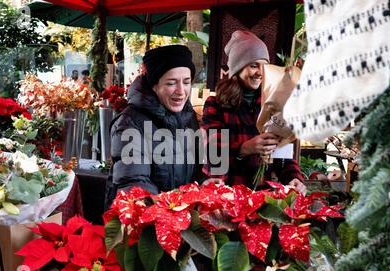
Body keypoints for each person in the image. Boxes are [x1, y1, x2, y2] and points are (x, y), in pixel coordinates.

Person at [201, 30, 306, 193]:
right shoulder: (216, 104)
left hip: (263, 195)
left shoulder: (272, 104)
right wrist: (245, 148)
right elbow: (213, 155)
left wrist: (293, 178)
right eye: (253, 65)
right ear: (238, 68)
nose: (260, 72)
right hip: (228, 194)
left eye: (264, 66)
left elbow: (282, 151)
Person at [104, 45, 205, 210]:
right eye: (171, 83)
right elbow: (135, 186)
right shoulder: (129, 123)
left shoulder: (188, 116)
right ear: (153, 85)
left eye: (186, 82)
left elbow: (195, 174)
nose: (181, 91)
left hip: (180, 220)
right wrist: (170, 213)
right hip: (144, 224)